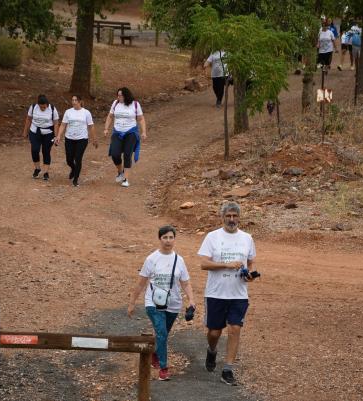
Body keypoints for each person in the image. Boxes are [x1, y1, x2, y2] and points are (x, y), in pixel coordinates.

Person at [198, 202, 258, 386]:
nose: (232, 219)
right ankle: (212, 350)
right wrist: (226, 265)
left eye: (235, 216)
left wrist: (249, 275)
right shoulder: (212, 237)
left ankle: (228, 369)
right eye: (228, 216)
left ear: (239, 217)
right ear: (222, 217)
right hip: (216, 293)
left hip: (238, 294)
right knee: (214, 332)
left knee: (235, 329)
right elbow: (204, 264)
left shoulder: (247, 238)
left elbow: (250, 262)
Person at [128, 225, 196, 381]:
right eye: (165, 237)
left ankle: (155, 352)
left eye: (171, 237)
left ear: (174, 239)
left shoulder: (179, 260)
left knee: (162, 334)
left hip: (173, 303)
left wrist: (191, 299)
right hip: (154, 302)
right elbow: (141, 283)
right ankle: (164, 368)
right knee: (162, 332)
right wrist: (132, 302)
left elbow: (185, 282)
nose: (168, 240)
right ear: (160, 239)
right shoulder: (151, 259)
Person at [103, 87, 147, 188]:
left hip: (130, 132)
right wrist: (106, 128)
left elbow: (140, 119)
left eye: (120, 95)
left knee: (127, 154)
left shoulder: (135, 104)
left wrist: (144, 131)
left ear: (126, 96)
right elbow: (110, 116)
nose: (118, 97)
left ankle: (126, 179)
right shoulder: (115, 103)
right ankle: (120, 171)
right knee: (115, 154)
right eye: (117, 95)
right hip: (117, 132)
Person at [55, 95, 98, 187]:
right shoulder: (68, 112)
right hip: (69, 138)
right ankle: (73, 169)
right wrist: (58, 136)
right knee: (69, 159)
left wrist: (94, 139)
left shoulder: (86, 113)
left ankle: (76, 179)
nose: (74, 102)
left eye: (76, 100)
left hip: (82, 139)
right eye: (72, 100)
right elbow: (63, 125)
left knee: (78, 159)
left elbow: (91, 126)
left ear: (80, 102)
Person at [21, 94, 59, 181]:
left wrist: (56, 136)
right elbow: (29, 119)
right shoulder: (33, 107)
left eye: (44, 107)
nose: (42, 108)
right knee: (34, 150)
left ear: (47, 104)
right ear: (38, 104)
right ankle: (37, 168)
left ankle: (46, 172)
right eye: (41, 107)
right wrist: (25, 132)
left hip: (48, 133)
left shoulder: (52, 109)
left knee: (46, 151)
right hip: (34, 131)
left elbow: (56, 123)